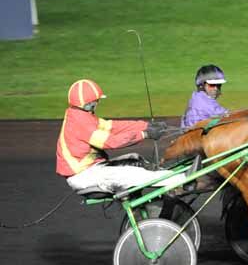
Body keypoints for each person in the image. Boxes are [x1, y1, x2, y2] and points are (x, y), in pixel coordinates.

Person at [56, 79, 188, 194]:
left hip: (92, 169)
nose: (97, 103)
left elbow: (114, 126)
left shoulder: (80, 115)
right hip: (84, 176)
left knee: (134, 159)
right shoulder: (80, 122)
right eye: (96, 101)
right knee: (134, 174)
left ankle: (165, 176)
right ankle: (183, 179)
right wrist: (145, 134)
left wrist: (145, 125)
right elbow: (112, 142)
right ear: (88, 104)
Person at [181, 64, 229, 129]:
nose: (216, 88)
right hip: (198, 135)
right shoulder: (201, 100)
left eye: (218, 85)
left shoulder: (197, 96)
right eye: (212, 85)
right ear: (201, 85)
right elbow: (226, 115)